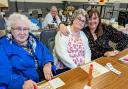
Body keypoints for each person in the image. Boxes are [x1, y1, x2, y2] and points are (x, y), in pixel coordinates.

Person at [0, 13, 56, 89]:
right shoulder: (3, 45)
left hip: (44, 81)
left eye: (25, 29)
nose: (22, 33)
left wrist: (47, 64)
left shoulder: (33, 40)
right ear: (11, 29)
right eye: (18, 29)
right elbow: (3, 72)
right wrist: (21, 83)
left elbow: (45, 52)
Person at [59, 8, 128, 60]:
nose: (92, 21)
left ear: (99, 19)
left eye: (95, 18)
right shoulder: (82, 30)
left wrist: (116, 51)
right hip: (89, 62)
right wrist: (61, 25)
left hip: (108, 59)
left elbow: (125, 38)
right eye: (89, 18)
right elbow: (71, 25)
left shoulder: (106, 29)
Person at [54, 9, 91, 74]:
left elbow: (87, 51)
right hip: (64, 69)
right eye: (78, 18)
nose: (80, 22)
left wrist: (86, 65)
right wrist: (76, 68)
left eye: (83, 21)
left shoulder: (83, 34)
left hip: (82, 68)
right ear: (74, 18)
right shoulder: (64, 31)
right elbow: (62, 54)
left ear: (84, 24)